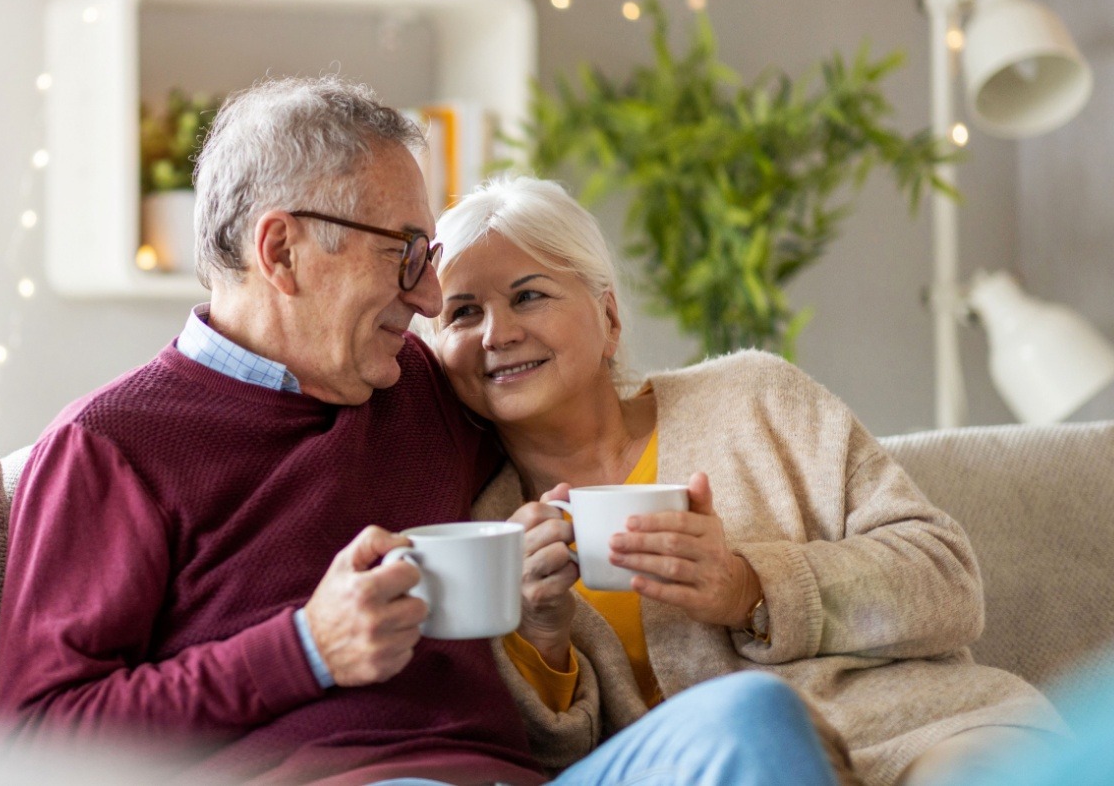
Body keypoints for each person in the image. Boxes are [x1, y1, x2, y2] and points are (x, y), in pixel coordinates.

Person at [0, 77, 843, 786]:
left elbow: (574, 397)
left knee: (752, 719)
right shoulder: (111, 447)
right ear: (283, 251)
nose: (432, 300)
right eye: (404, 253)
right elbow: (44, 743)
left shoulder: (425, 391)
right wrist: (304, 649)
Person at [427, 175, 1065, 786]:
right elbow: (554, 762)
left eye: (528, 295)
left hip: (922, 734)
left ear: (609, 319)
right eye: (462, 312)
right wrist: (541, 634)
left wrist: (751, 589)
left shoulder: (755, 397)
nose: (497, 333)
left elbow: (946, 579)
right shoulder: (486, 529)